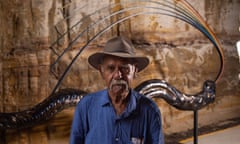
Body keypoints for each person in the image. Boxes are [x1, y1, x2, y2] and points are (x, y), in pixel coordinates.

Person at [70, 36, 164, 144]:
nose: (118, 75)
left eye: (125, 68)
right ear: (101, 71)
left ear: (135, 71)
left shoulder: (150, 111)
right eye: (110, 68)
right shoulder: (86, 106)